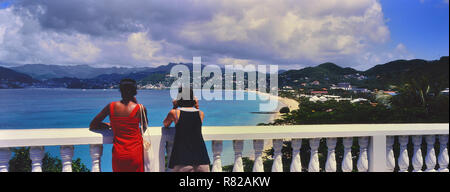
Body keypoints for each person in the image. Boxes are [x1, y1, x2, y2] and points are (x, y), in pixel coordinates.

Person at [89, 79, 148, 172]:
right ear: (135, 91)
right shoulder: (140, 108)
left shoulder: (111, 106)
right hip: (135, 152)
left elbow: (93, 125)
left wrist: (110, 125)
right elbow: (144, 127)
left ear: (120, 91)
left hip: (119, 153)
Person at [163, 88, 210, 172]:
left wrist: (175, 106)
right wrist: (197, 105)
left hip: (181, 158)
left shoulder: (175, 113)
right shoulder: (200, 114)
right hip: (201, 157)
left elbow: (166, 124)